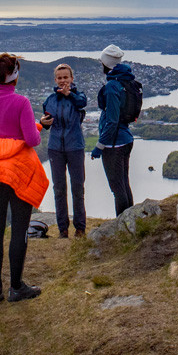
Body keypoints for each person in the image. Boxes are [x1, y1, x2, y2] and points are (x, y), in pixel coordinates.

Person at [0, 53, 49, 303]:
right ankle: (16, 287)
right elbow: (33, 140)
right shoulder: (21, 102)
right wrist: (36, 126)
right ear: (14, 75)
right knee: (19, 229)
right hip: (18, 171)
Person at [39, 64, 88, 238]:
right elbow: (46, 121)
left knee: (77, 188)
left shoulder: (79, 96)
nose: (63, 81)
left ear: (72, 79)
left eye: (66, 77)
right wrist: (43, 122)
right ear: (55, 80)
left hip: (75, 146)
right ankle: (63, 229)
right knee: (59, 188)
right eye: (59, 78)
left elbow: (82, 103)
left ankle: (80, 228)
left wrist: (70, 94)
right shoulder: (50, 99)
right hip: (55, 148)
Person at [92, 44, 135, 216]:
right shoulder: (125, 80)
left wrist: (99, 146)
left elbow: (112, 121)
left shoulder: (112, 86)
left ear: (106, 63)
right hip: (126, 139)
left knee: (117, 188)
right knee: (124, 183)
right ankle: (132, 220)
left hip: (114, 144)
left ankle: (123, 224)